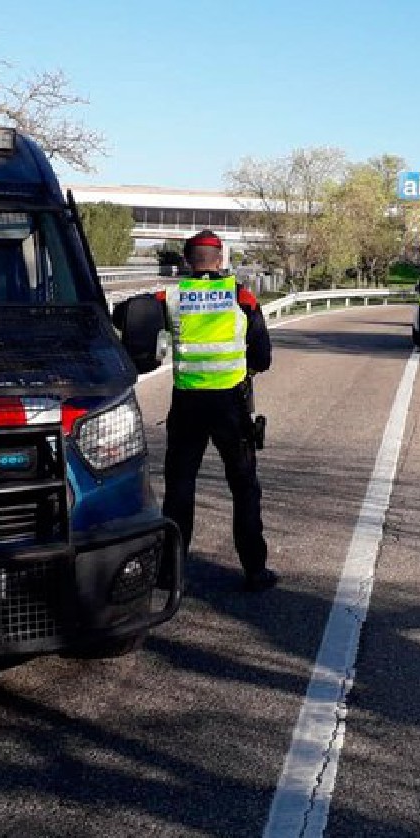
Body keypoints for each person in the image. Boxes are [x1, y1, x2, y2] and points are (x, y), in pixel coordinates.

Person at [161, 230, 275, 591]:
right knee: (244, 487)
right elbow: (262, 357)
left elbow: (128, 318)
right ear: (220, 258)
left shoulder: (171, 297)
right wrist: (245, 369)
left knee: (180, 486)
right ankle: (255, 569)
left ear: (186, 260)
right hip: (230, 405)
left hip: (187, 404)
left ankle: (170, 572)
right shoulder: (241, 296)